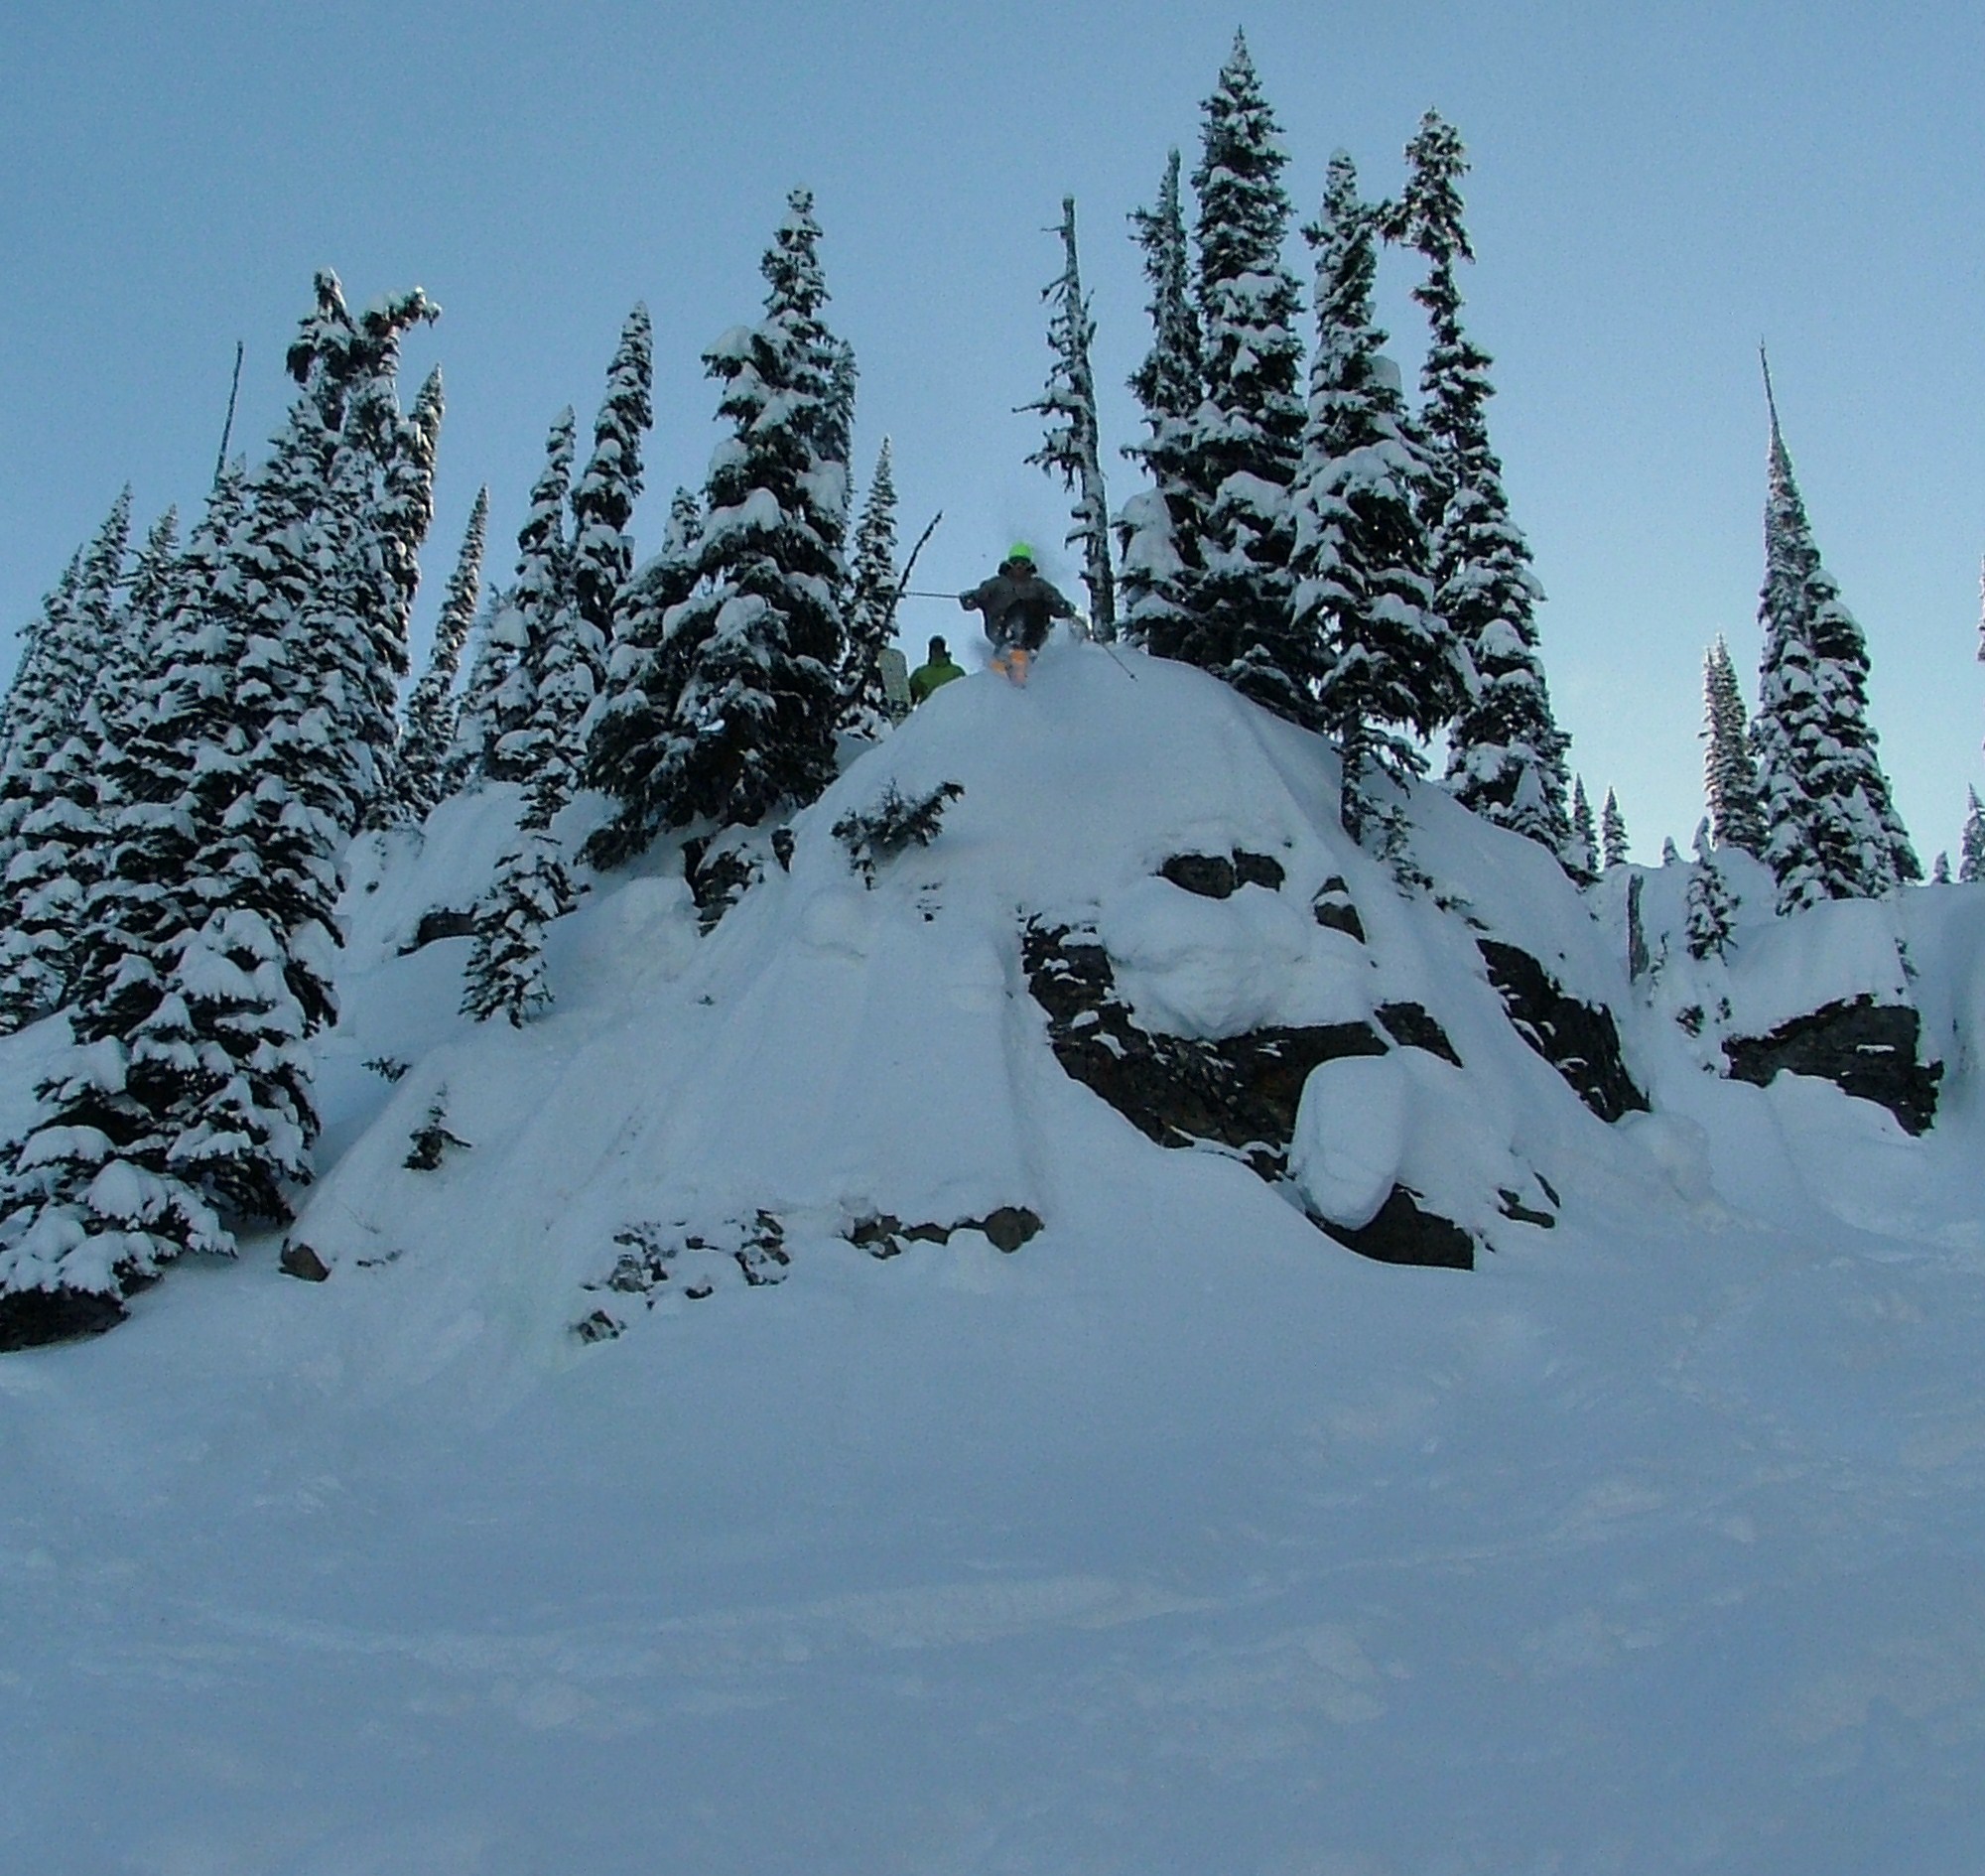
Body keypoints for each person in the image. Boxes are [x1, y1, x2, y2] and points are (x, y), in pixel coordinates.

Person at [958, 543, 1077, 684]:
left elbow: (1056, 602)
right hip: (1001, 628)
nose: (1019, 566)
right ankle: (1010, 645)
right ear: (1009, 564)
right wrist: (970, 598)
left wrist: (1064, 608)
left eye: (1023, 563)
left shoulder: (1039, 585)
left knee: (1034, 604)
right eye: (1016, 563)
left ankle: (1027, 651)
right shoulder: (997, 584)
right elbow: (976, 598)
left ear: (1029, 565)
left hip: (1033, 633)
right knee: (1019, 607)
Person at [907, 635, 965, 705]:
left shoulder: (956, 672)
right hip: (929, 712)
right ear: (930, 651)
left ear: (943, 650)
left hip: (951, 709)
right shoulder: (920, 673)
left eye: (939, 647)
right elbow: (909, 695)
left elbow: (965, 692)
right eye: (934, 648)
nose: (936, 650)